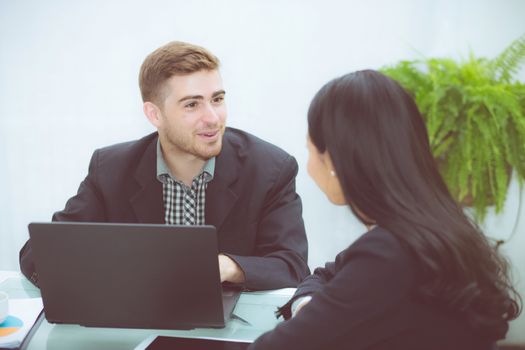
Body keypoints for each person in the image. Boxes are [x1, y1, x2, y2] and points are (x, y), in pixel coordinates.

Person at [249, 70, 521, 349]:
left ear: (333, 159)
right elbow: (325, 274)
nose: (308, 166)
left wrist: (315, 317)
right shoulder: (434, 230)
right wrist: (309, 306)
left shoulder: (388, 254)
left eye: (309, 150)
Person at [19, 41, 310, 290]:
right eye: (192, 105)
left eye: (217, 99)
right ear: (154, 114)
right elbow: (38, 254)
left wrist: (224, 267)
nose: (213, 118)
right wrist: (116, 269)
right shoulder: (110, 169)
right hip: (135, 322)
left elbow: (292, 266)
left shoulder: (271, 168)